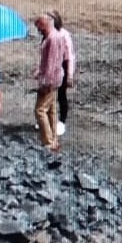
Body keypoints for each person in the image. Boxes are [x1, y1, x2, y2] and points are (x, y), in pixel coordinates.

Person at [32, 14, 67, 152]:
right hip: (56, 79)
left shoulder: (52, 39)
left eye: (38, 26)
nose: (38, 30)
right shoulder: (56, 36)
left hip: (50, 80)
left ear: (44, 24)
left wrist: (45, 83)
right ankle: (54, 141)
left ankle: (48, 141)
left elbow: (51, 63)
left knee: (40, 110)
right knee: (52, 110)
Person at [48, 10, 76, 135]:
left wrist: (70, 74)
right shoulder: (48, 34)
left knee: (61, 95)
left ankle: (62, 121)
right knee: (48, 93)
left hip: (61, 66)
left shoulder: (64, 35)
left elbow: (69, 56)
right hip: (51, 66)